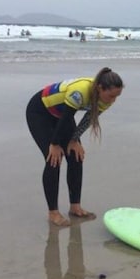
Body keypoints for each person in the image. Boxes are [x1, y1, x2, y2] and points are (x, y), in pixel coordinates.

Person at [26, 67, 124, 226]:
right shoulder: (80, 92)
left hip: (61, 116)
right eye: (111, 95)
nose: (113, 100)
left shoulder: (105, 100)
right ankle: (53, 212)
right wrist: (55, 144)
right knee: (53, 159)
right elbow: (66, 118)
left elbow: (87, 120)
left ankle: (75, 207)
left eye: (117, 96)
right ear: (100, 88)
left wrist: (74, 140)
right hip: (40, 112)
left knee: (76, 156)